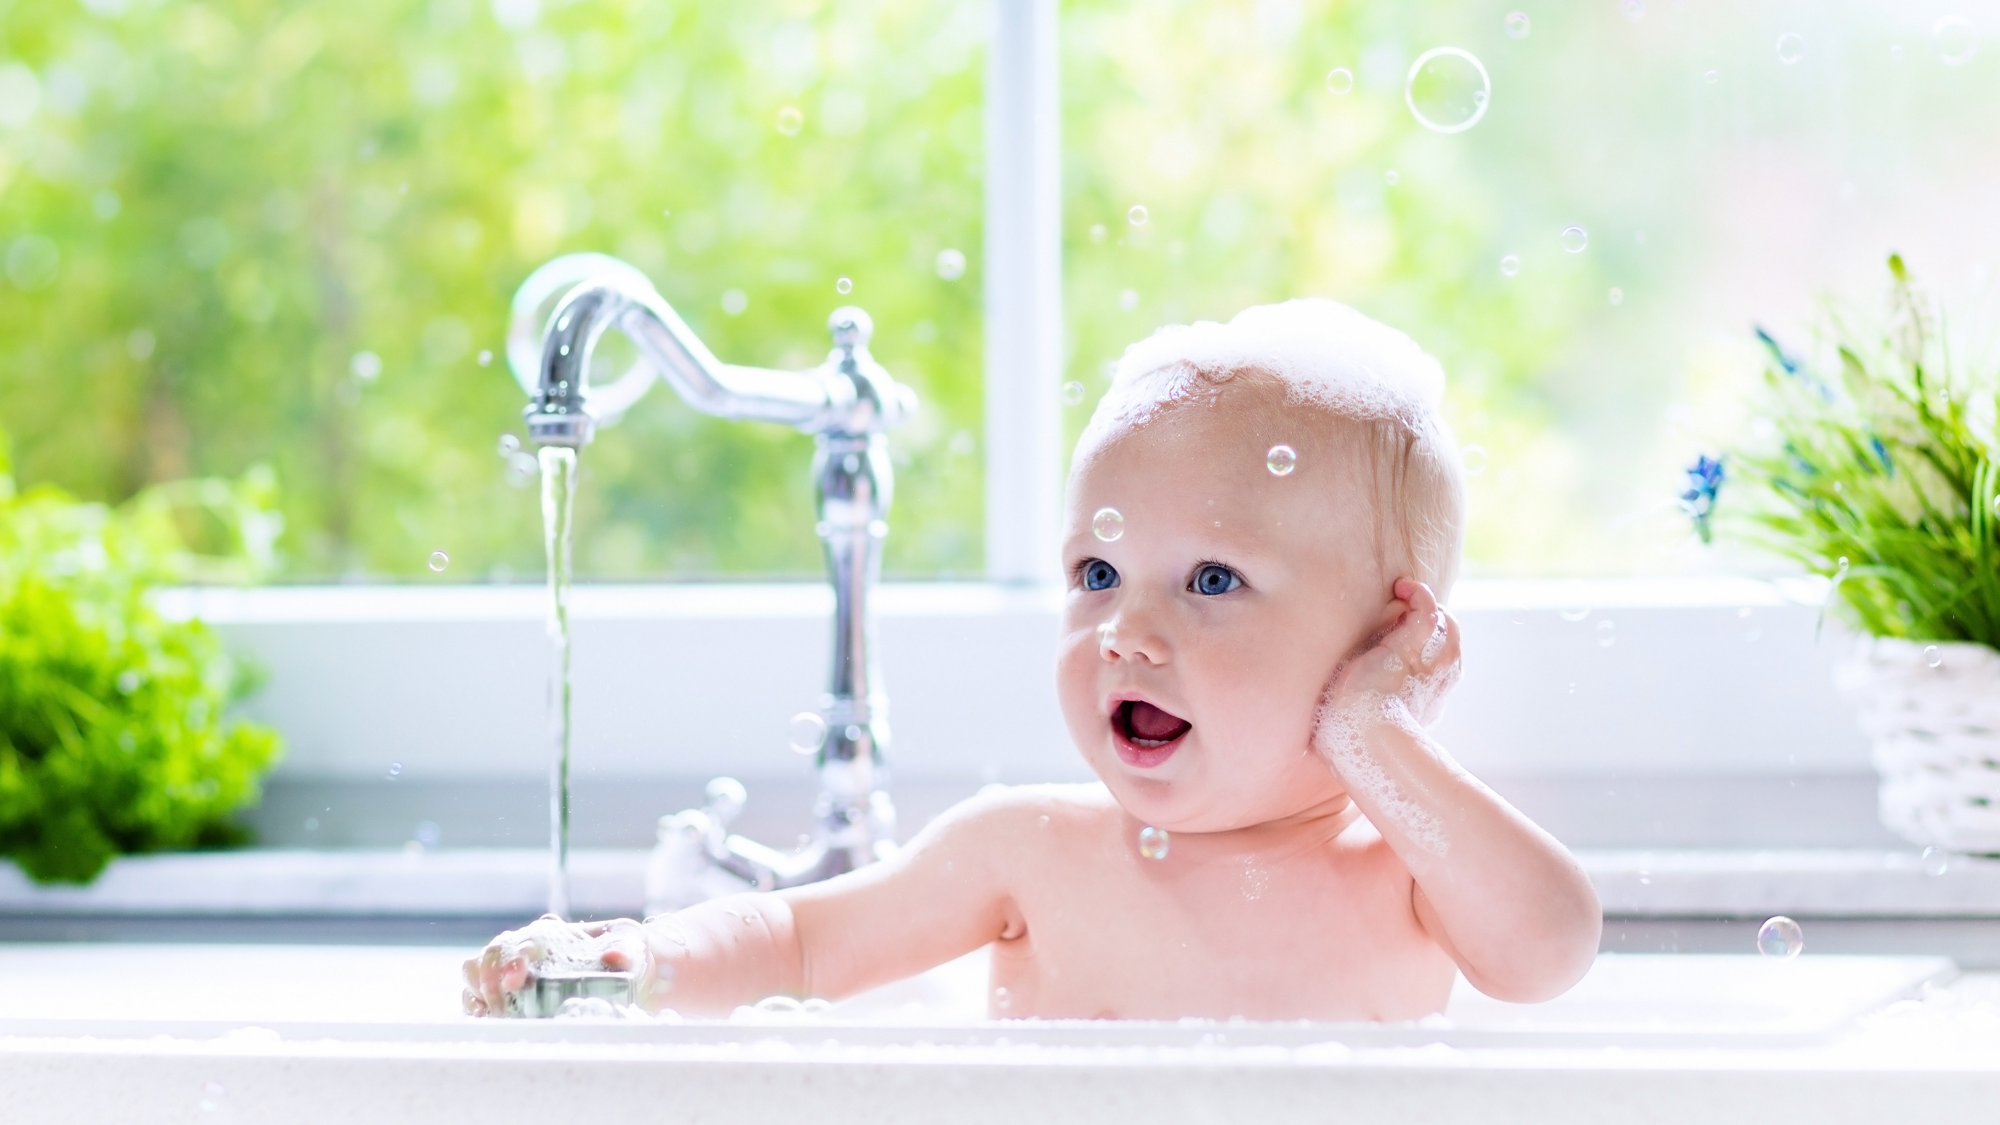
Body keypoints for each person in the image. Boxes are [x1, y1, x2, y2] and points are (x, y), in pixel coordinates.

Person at [463, 299, 1601, 1021]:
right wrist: (635, 957)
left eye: (1212, 581)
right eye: (1096, 576)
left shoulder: (1398, 870)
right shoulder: (1029, 852)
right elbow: (798, 941)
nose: (1126, 632)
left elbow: (1548, 951)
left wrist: (1373, 739)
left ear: (1387, 640)